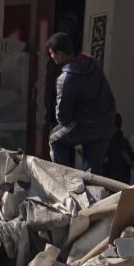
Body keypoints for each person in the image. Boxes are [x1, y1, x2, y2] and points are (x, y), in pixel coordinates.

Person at [45, 32, 120, 175]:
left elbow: (63, 118)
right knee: (93, 173)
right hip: (107, 122)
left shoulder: (66, 78)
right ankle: (94, 194)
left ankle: (64, 181)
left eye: (52, 54)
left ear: (60, 53)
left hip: (85, 125)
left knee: (55, 139)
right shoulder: (93, 63)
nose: (51, 57)